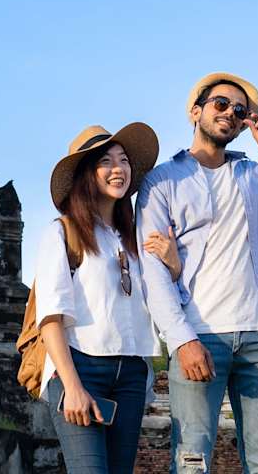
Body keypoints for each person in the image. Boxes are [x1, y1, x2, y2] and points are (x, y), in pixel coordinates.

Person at [136, 73, 258, 474]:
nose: (230, 114)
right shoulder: (163, 180)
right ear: (195, 111)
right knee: (192, 460)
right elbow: (151, 268)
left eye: (240, 111)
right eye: (221, 104)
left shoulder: (256, 175)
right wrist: (182, 339)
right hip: (200, 332)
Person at [35, 122, 163, 474]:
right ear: (86, 174)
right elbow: (50, 318)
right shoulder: (62, 232)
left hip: (132, 374)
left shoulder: (135, 239)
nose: (118, 168)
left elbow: (160, 303)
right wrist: (72, 386)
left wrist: (173, 262)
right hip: (82, 367)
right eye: (105, 161)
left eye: (123, 160)